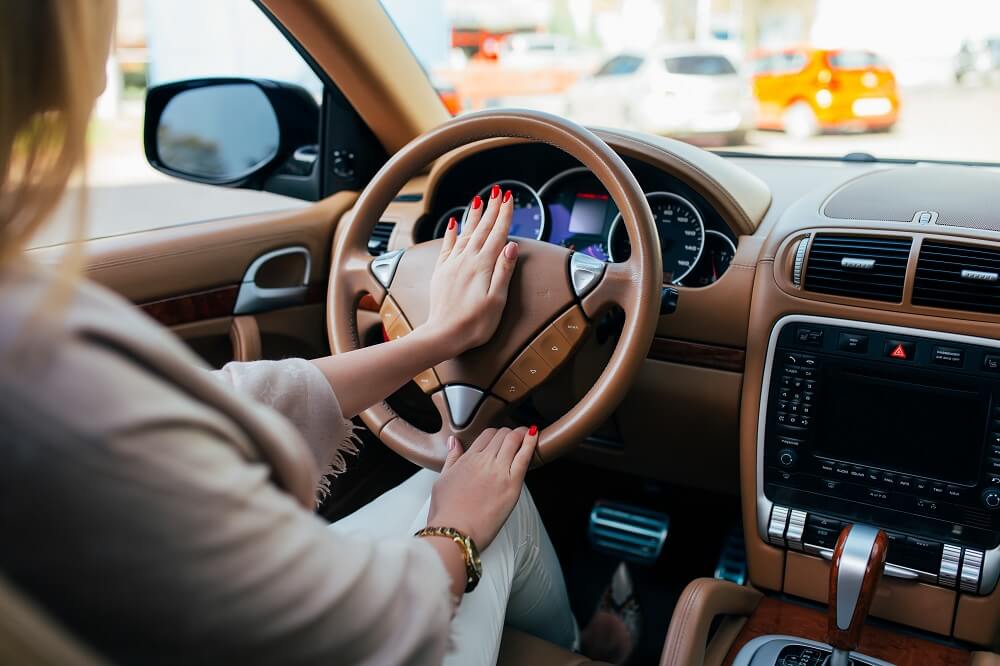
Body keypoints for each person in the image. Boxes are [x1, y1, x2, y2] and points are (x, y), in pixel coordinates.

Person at [0, 2, 636, 664]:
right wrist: (459, 525)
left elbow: (226, 396)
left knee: (441, 482)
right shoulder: (37, 373)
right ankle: (576, 649)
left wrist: (439, 336)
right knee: (491, 508)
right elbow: (367, 629)